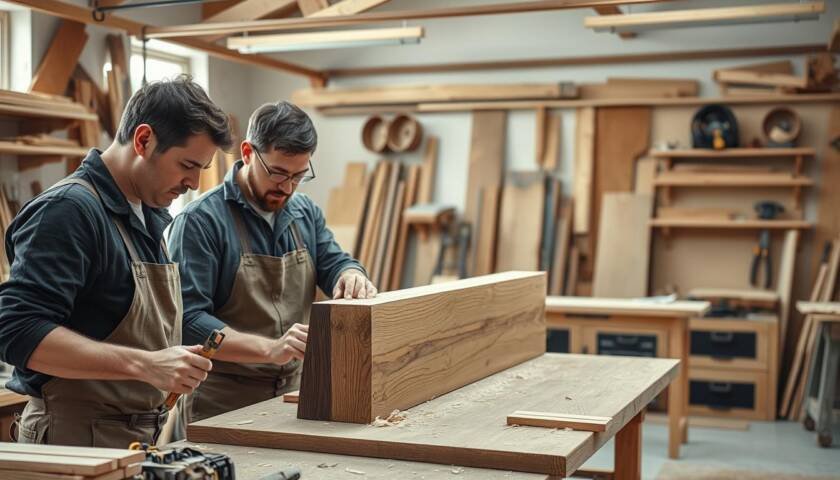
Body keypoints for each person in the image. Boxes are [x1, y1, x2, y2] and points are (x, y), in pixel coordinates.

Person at [0, 75, 231, 446]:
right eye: (187, 165)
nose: (193, 182)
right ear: (143, 140)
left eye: (200, 170)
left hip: (137, 435)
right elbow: (15, 329)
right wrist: (146, 364)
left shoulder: (146, 214)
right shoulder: (70, 211)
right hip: (75, 440)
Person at [169, 101, 375, 423]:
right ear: (248, 152)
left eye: (298, 176)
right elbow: (189, 321)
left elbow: (334, 262)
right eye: (278, 173)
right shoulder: (200, 222)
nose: (287, 187)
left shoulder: (304, 212)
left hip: (296, 392)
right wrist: (269, 349)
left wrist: (350, 273)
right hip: (223, 400)